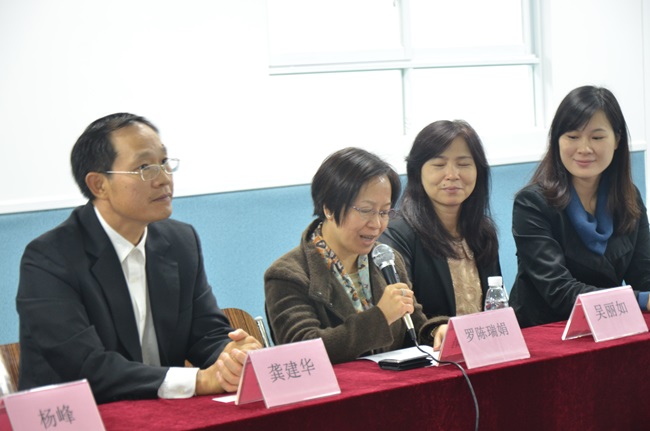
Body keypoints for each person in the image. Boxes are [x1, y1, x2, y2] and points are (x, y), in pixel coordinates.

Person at [16, 113, 262, 403]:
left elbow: (206, 334)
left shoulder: (180, 242)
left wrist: (231, 355)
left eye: (164, 163)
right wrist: (199, 379)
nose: (163, 179)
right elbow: (88, 368)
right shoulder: (49, 259)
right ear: (98, 185)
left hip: (158, 416)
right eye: (144, 167)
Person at [264, 147, 437, 364]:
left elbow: (415, 326)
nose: (376, 224)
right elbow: (302, 351)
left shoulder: (386, 260)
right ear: (328, 208)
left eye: (384, 212)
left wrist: (436, 333)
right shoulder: (287, 275)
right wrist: (380, 317)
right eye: (365, 210)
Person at [509, 85, 650, 327]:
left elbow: (644, 274)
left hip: (608, 329)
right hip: (545, 336)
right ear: (557, 141)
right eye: (573, 137)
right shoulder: (532, 203)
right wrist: (639, 299)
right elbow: (558, 289)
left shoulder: (628, 198)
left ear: (617, 140)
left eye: (597, 137)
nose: (584, 149)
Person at [380, 120, 501, 349]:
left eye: (464, 164)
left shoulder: (482, 231)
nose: (452, 175)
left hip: (482, 353)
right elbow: (402, 316)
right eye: (438, 164)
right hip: (429, 361)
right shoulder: (398, 233)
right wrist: (436, 331)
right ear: (417, 172)